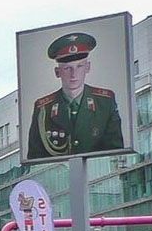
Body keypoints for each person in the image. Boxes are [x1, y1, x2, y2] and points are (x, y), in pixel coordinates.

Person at [26, 32, 125, 160]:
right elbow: (35, 158)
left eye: (79, 66)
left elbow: (115, 151)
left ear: (87, 67)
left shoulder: (104, 102)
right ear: (57, 72)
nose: (74, 74)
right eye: (67, 68)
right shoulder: (43, 108)